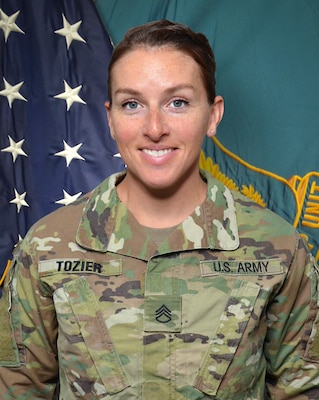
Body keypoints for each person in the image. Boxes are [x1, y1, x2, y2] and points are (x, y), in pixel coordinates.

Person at [0, 19, 318, 400]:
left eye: (177, 103)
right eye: (132, 104)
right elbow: (19, 390)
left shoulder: (279, 249)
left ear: (213, 115)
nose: (154, 127)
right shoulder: (48, 247)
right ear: (110, 118)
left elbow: (303, 390)